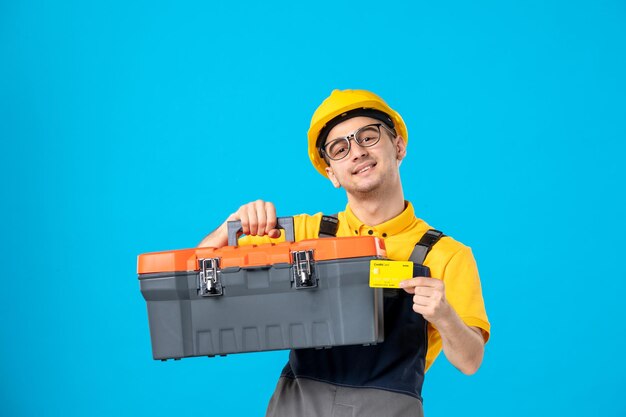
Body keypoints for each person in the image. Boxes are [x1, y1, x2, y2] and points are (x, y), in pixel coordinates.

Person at [199, 89, 490, 417]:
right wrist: (229, 228)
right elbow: (196, 278)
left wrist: (444, 315)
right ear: (331, 174)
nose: (357, 152)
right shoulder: (304, 235)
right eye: (340, 148)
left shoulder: (447, 255)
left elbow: (470, 361)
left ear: (398, 146)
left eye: (368, 136)